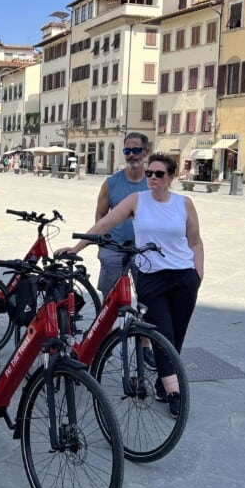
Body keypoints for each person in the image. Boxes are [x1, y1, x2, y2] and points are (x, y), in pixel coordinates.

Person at [58, 153, 203, 419]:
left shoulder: (184, 203)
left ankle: (163, 383)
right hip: (151, 276)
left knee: (177, 336)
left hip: (184, 277)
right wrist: (78, 246)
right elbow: (106, 223)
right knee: (163, 334)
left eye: (159, 174)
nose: (152, 179)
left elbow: (195, 241)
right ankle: (174, 392)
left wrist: (198, 274)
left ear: (170, 178)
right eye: (150, 174)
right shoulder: (138, 201)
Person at [94, 132, 149, 295]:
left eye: (136, 150)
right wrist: (102, 246)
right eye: (127, 151)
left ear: (146, 152)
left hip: (144, 250)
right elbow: (100, 215)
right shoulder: (111, 183)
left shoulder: (153, 183)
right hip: (114, 249)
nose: (131, 155)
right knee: (110, 302)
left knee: (148, 300)